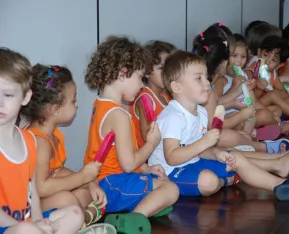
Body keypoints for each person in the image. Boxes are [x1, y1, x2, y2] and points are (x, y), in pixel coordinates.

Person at [148, 50, 289, 201]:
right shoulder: (173, 117)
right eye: (198, 79)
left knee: (234, 158)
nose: (207, 83)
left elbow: (198, 149)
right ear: (177, 87)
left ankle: (280, 186)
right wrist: (204, 143)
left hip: (193, 161)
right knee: (209, 181)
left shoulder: (200, 112)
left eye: (206, 77)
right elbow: (172, 157)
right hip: (170, 172)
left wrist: (216, 152)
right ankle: (238, 176)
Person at [84, 36, 179, 234]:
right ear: (123, 74)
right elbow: (127, 164)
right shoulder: (119, 115)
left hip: (104, 182)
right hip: (112, 185)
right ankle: (134, 216)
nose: (141, 85)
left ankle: (145, 206)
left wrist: (146, 169)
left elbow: (121, 154)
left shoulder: (100, 105)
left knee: (162, 182)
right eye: (140, 77)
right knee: (171, 190)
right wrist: (152, 143)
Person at [0, 47, 83, 234]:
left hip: (26, 221)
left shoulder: (30, 140)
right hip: (8, 226)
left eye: (8, 95)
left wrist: (38, 220)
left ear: (25, 97)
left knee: (75, 214)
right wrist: (26, 225)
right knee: (27, 231)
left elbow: (33, 193)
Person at [20, 64, 107, 229]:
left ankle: (81, 220)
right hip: (28, 207)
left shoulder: (53, 135)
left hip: (42, 200)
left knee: (85, 192)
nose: (77, 104)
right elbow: (42, 187)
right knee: (67, 199)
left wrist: (89, 182)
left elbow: (57, 171)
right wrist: (81, 177)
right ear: (55, 110)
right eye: (73, 100)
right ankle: (83, 222)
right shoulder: (40, 142)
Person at [130, 40, 175, 147]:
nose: (167, 72)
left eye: (170, 68)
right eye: (162, 68)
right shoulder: (145, 98)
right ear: (147, 72)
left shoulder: (166, 96)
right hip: (148, 159)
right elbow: (147, 137)